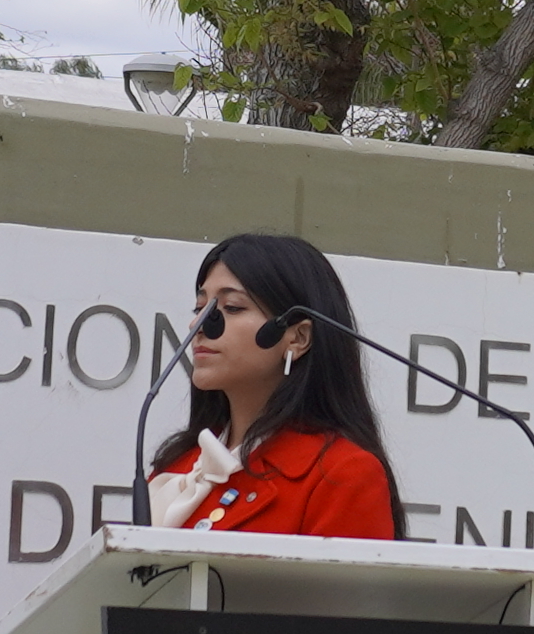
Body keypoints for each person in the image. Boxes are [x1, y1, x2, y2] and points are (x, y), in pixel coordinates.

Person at [144, 232, 401, 541]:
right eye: (200, 308)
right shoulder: (177, 468)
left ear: (297, 338)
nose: (197, 326)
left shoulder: (341, 474)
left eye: (233, 307)